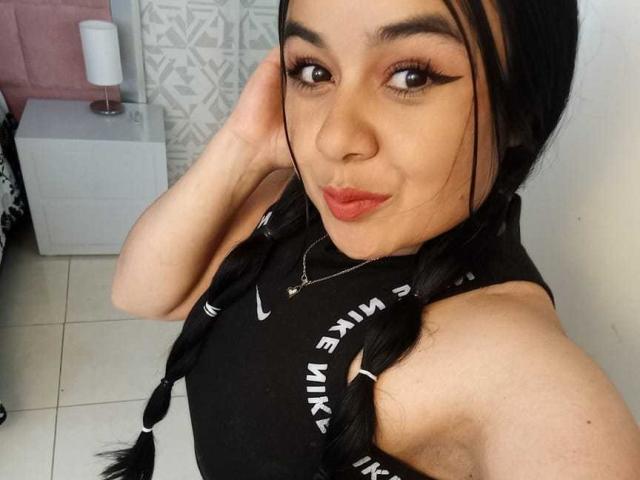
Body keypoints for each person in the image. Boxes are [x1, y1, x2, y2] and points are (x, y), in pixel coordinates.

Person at [97, 1, 640, 479]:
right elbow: (143, 294)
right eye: (313, 70)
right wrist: (243, 144)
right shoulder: (301, 201)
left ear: (519, 109)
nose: (333, 138)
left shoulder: (515, 362)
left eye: (411, 76)